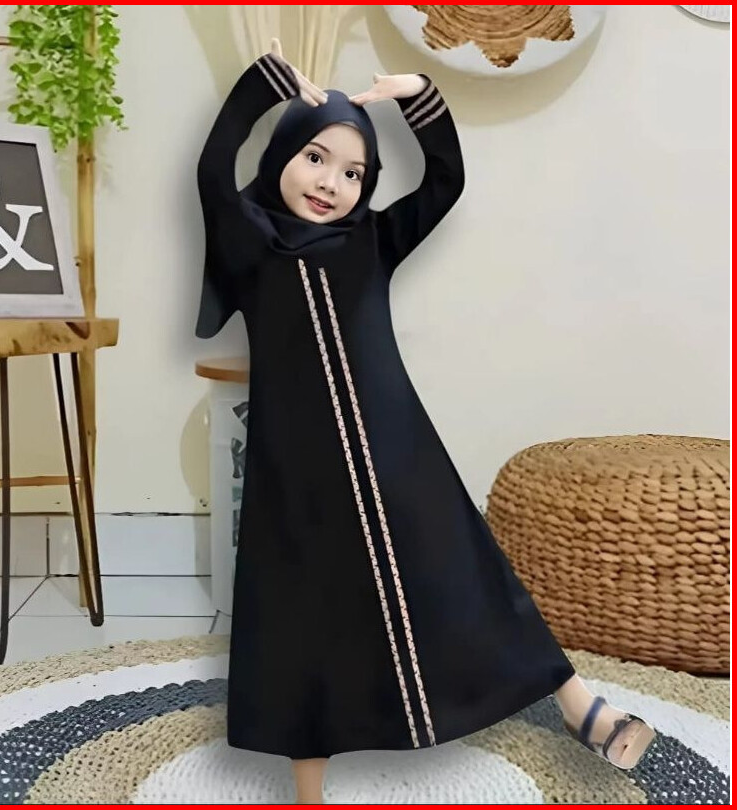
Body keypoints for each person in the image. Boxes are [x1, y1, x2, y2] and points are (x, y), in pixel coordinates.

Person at [196, 38, 656, 805]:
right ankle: (309, 791)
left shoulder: (373, 240)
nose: (331, 183)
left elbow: (445, 179)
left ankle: (582, 708)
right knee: (304, 620)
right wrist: (264, 85)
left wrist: (418, 97)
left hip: (399, 452)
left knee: (468, 575)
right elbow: (213, 167)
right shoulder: (248, 238)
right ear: (280, 153)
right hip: (297, 475)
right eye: (315, 158)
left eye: (353, 173)